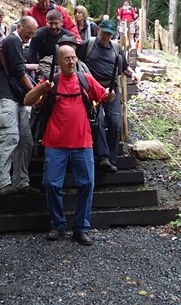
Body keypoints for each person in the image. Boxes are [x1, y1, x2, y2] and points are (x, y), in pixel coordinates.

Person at [24, 44, 115, 245]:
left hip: (83, 142)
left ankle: (81, 228)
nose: (71, 61)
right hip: (55, 143)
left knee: (87, 184)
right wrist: (41, 88)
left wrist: (110, 95)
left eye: (73, 58)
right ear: (59, 61)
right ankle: (57, 224)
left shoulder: (86, 80)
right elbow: (27, 100)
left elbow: (106, 96)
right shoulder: (51, 81)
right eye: (67, 58)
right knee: (51, 183)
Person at [77, 20, 136, 173]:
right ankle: (103, 157)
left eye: (109, 35)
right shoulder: (87, 45)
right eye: (104, 34)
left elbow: (124, 67)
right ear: (98, 30)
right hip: (91, 88)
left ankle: (112, 159)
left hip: (111, 88)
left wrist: (133, 74)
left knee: (115, 122)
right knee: (98, 120)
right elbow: (76, 61)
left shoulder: (116, 47)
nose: (105, 37)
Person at [0, 16, 40, 197]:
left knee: (25, 140)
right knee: (9, 137)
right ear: (19, 27)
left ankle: (21, 182)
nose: (30, 37)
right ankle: (3, 183)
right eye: (28, 33)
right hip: (5, 95)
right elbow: (18, 70)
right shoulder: (12, 40)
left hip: (16, 98)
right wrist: (35, 91)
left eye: (33, 34)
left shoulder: (18, 42)